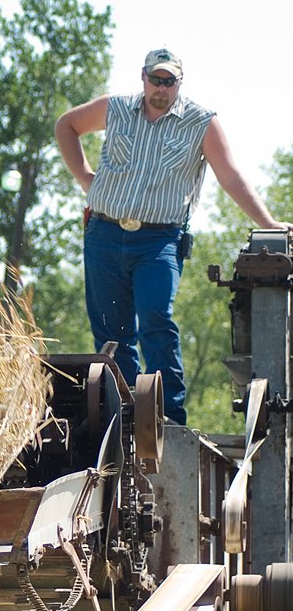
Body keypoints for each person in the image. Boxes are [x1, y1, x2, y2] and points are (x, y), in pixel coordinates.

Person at [55, 47, 293, 424]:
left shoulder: (201, 122)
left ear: (180, 83)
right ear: (143, 76)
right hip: (103, 233)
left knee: (156, 319)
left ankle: (170, 420)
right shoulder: (115, 108)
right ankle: (124, 418)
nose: (161, 89)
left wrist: (269, 222)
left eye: (169, 82)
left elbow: (230, 175)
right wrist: (85, 177)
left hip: (159, 241)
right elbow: (66, 125)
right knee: (111, 332)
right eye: (156, 79)